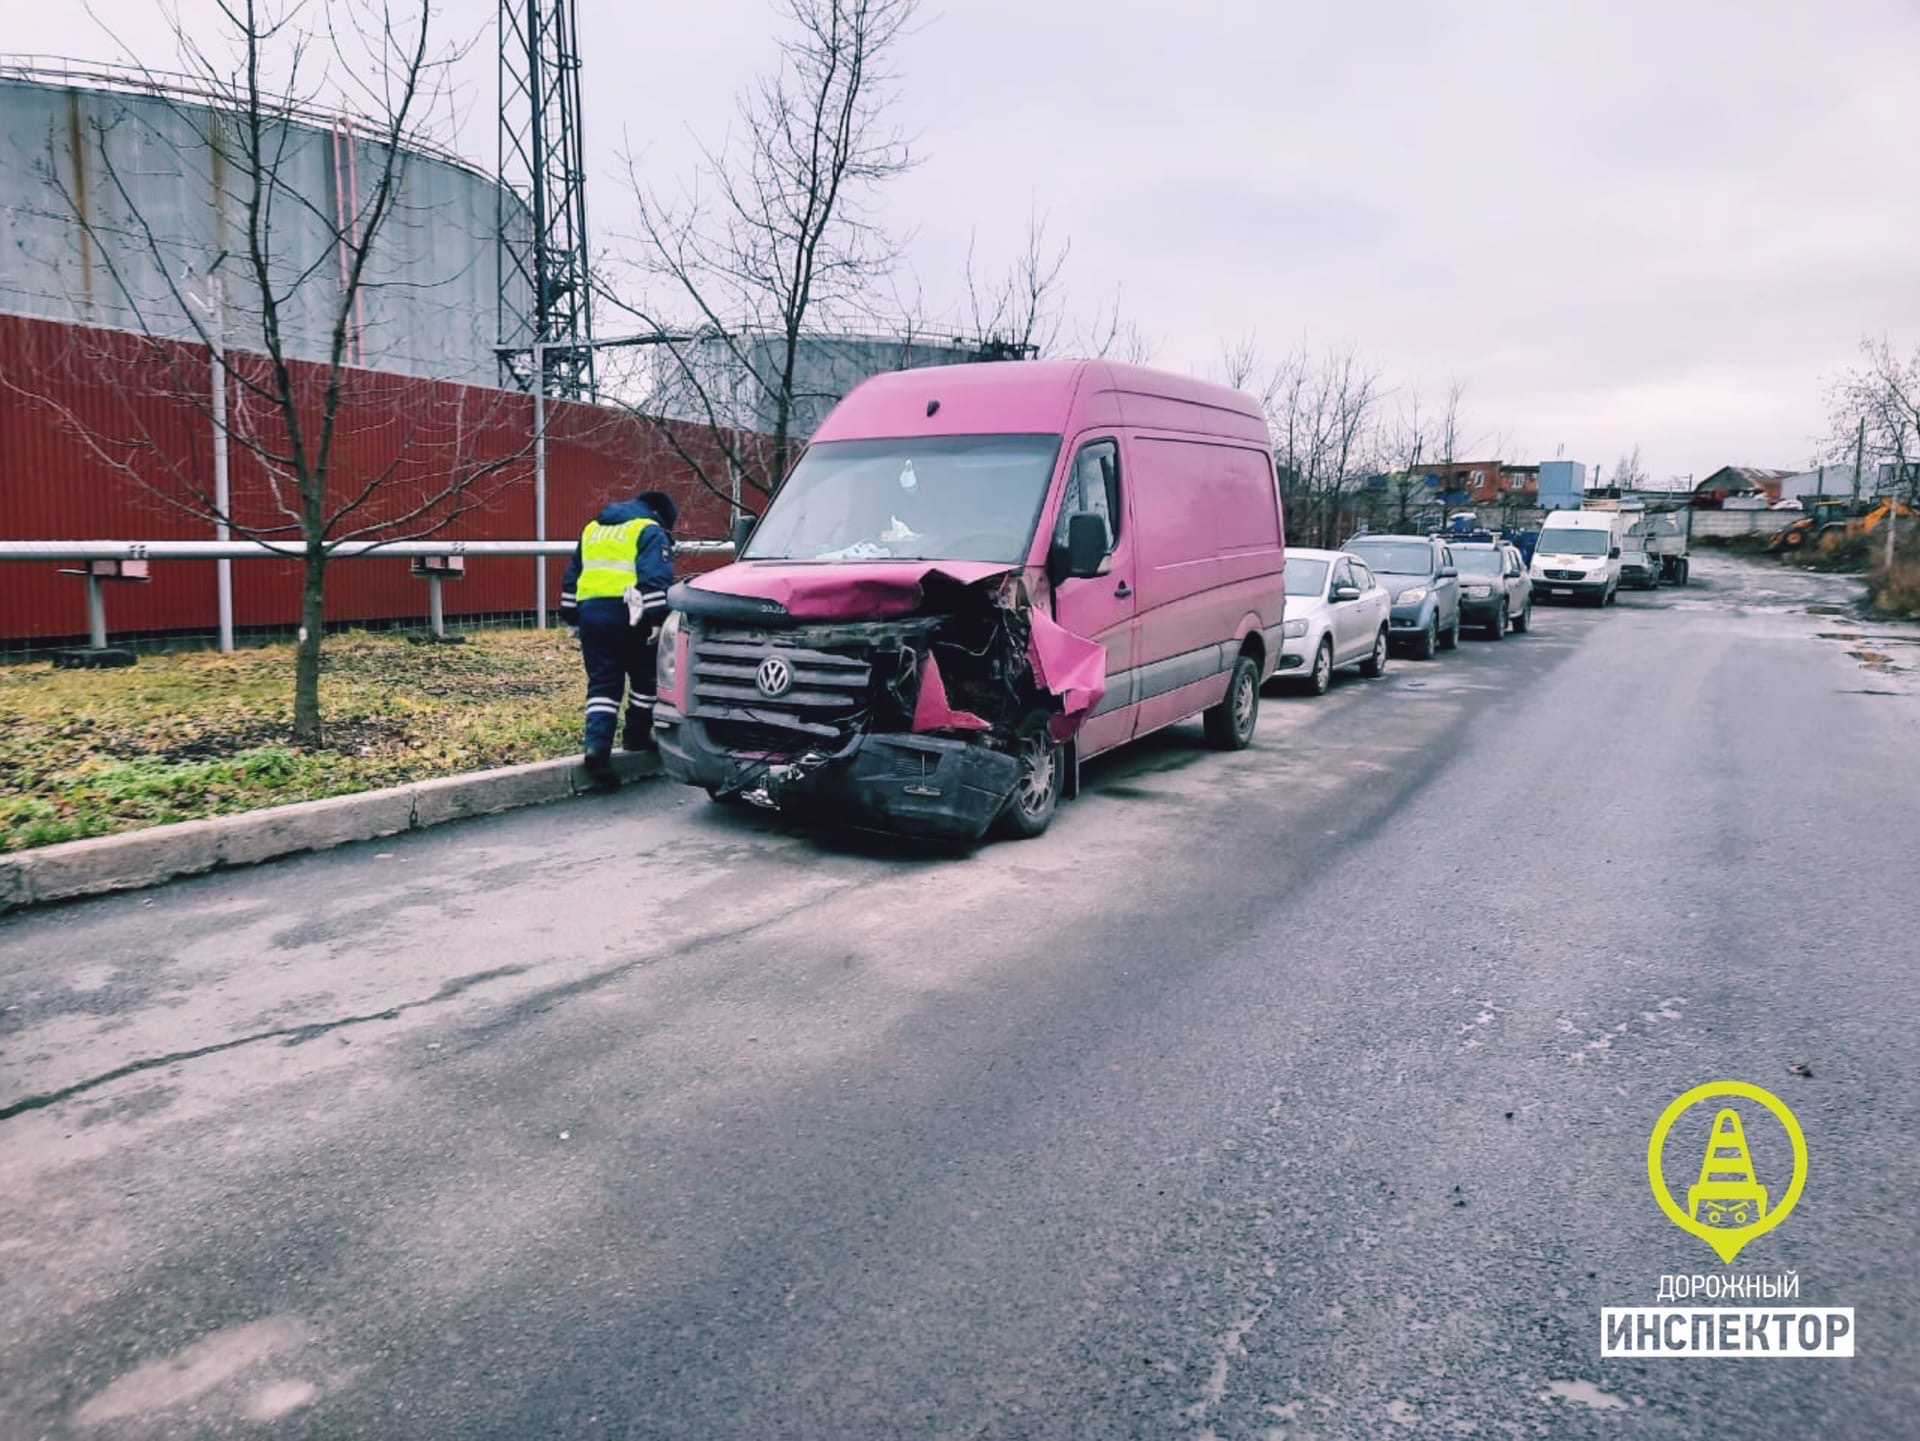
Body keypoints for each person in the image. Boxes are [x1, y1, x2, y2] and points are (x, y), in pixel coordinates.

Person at [559, 489, 678, 784]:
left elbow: (573, 575)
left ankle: (597, 748)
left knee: (603, 683)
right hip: (630, 614)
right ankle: (637, 736)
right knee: (645, 677)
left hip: (592, 616)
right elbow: (655, 579)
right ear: (660, 515)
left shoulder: (593, 528)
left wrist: (571, 616)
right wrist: (657, 620)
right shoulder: (649, 530)